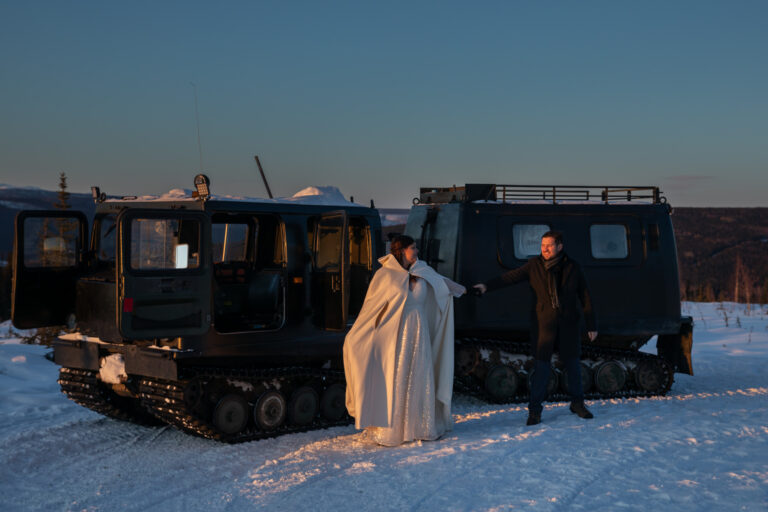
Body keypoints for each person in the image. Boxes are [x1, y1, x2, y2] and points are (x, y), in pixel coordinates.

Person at [344, 235, 466, 446]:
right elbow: (372, 308)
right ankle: (391, 430)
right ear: (401, 251)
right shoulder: (385, 275)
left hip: (419, 330)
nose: (416, 251)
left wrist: (466, 290)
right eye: (413, 248)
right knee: (396, 376)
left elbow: (444, 285)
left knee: (419, 375)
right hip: (395, 334)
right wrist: (358, 335)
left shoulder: (423, 271)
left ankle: (421, 425)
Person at [473, 231, 597, 426]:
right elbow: (510, 277)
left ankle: (578, 404)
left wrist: (591, 324)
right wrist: (486, 286)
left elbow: (585, 296)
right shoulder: (534, 266)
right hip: (544, 325)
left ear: (560, 246)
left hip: (569, 324)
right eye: (542, 245)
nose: (545, 249)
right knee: (541, 368)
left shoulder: (573, 267)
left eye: (549, 245)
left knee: (573, 366)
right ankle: (535, 411)